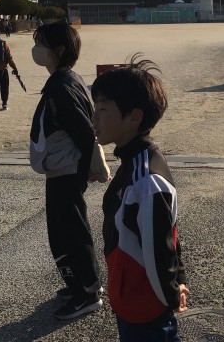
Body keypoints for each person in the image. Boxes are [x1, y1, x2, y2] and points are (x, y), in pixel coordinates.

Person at [91, 54, 189, 342]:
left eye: (103, 109)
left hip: (146, 308)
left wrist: (172, 293)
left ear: (134, 117)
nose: (94, 118)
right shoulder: (133, 163)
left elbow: (161, 249)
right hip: (131, 299)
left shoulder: (147, 180)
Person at [29, 22, 109, 320]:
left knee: (67, 233)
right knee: (69, 228)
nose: (36, 49)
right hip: (64, 168)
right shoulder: (67, 80)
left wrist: (95, 162)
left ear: (59, 50)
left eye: (42, 43)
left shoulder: (61, 87)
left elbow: (83, 129)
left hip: (66, 170)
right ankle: (84, 283)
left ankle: (86, 293)